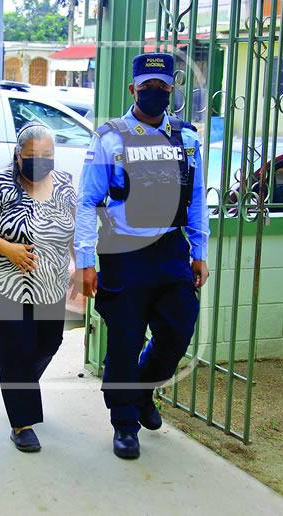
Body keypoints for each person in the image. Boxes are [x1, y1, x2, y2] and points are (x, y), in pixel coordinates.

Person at [74, 52, 210, 460]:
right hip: (124, 252)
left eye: (162, 86)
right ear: (133, 89)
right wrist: (85, 261)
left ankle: (141, 391)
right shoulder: (109, 138)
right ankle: (124, 423)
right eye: (147, 86)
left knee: (178, 331)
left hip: (170, 249)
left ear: (171, 89)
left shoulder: (186, 139)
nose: (155, 92)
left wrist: (199, 251)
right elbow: (87, 201)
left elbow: (196, 200)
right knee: (125, 340)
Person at [0, 123, 76, 453]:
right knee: (16, 350)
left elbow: (72, 227)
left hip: (50, 285)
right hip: (4, 284)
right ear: (18, 155)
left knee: (49, 342)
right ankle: (22, 423)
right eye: (32, 155)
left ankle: (21, 384)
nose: (41, 161)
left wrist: (79, 266)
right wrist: (7, 248)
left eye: (47, 155)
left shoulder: (64, 184)